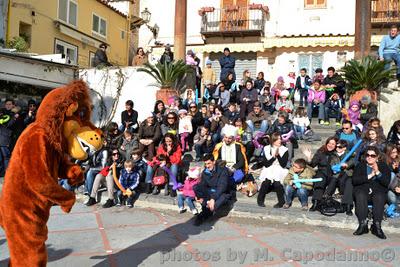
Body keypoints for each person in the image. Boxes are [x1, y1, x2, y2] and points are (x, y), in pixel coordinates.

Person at [353, 146, 391, 239]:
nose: (369, 157)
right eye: (367, 155)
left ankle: (377, 226)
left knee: (379, 195)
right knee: (360, 194)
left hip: (377, 192)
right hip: (363, 191)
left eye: (372, 155)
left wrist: (377, 172)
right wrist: (370, 175)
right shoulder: (360, 165)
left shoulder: (383, 166)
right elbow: (355, 180)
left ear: (377, 157)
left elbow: (386, 182)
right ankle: (363, 225)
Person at [193, 153, 233, 226]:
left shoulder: (223, 170)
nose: (207, 166)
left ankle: (202, 215)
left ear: (214, 162)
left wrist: (213, 199)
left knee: (212, 206)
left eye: (209, 163)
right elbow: (202, 185)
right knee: (196, 187)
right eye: (206, 164)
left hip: (222, 193)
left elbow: (222, 187)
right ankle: (205, 205)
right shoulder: (205, 172)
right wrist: (197, 196)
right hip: (210, 191)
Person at [302, 137, 338, 211]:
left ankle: (323, 200)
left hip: (332, 174)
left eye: (333, 144)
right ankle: (315, 202)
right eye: (329, 143)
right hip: (322, 172)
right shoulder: (321, 152)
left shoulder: (337, 154)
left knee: (331, 179)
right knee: (320, 180)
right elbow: (313, 164)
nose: (330, 145)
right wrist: (309, 158)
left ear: (336, 145)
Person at [257, 132, 288, 208]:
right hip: (269, 167)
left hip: (279, 168)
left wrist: (278, 156)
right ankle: (260, 200)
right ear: (273, 140)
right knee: (266, 182)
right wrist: (274, 157)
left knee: (277, 184)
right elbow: (266, 164)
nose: (279, 141)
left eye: (280, 139)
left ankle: (281, 201)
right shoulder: (266, 148)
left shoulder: (284, 149)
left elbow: (283, 164)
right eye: (277, 139)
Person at [325, 140, 355, 215]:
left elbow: (352, 161)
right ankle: (326, 196)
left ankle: (348, 206)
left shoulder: (350, 154)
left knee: (347, 183)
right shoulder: (333, 155)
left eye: (340, 147)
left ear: (344, 148)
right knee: (333, 180)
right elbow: (332, 163)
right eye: (337, 146)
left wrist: (346, 165)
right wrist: (334, 168)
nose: (337, 148)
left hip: (347, 173)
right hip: (337, 174)